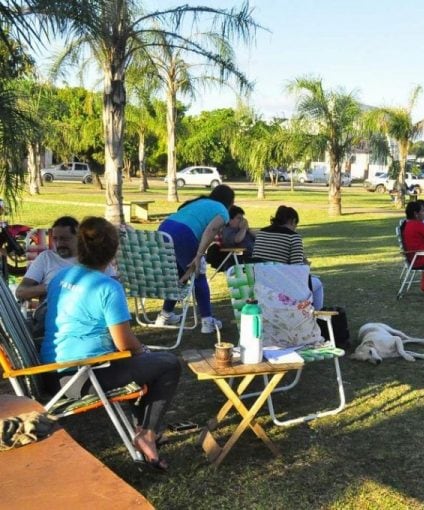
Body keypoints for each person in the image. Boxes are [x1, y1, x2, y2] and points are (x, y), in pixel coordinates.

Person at [40, 217, 180, 471]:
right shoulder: (107, 287)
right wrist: (144, 351)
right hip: (81, 377)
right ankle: (147, 434)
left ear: (79, 246)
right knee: (168, 363)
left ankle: (142, 428)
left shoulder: (61, 276)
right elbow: (124, 342)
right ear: (115, 251)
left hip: (51, 374)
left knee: (138, 364)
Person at [156, 184, 234, 333]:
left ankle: (165, 314)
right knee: (198, 273)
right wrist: (199, 255)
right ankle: (207, 321)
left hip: (164, 229)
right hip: (183, 233)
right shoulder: (222, 211)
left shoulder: (200, 202)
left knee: (179, 273)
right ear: (230, 202)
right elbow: (211, 230)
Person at [251, 205, 324, 309]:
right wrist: (306, 264)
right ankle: (316, 317)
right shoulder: (293, 237)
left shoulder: (261, 233)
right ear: (292, 221)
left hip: (261, 283)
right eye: (296, 225)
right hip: (282, 284)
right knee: (318, 284)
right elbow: (297, 269)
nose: (295, 228)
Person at [16, 216, 80, 302]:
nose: (59, 244)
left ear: (79, 237)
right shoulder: (47, 258)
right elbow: (20, 292)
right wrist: (52, 286)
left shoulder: (93, 260)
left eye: (64, 239)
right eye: (55, 239)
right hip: (50, 312)